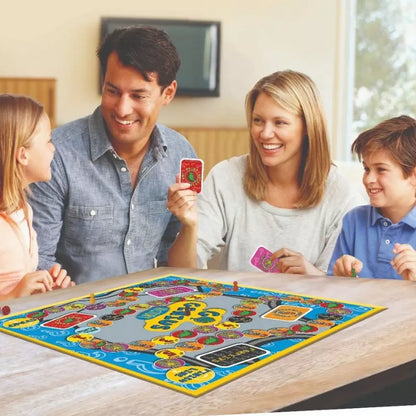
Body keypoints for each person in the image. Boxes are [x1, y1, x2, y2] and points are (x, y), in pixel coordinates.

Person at [28, 27, 196, 284]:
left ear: (168, 93)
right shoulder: (56, 154)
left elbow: (176, 267)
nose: (122, 109)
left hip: (149, 309)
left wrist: (190, 225)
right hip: (72, 310)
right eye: (112, 91)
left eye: (138, 95)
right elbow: (37, 262)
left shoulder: (180, 153)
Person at [167, 70, 365, 274]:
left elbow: (343, 289)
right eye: (258, 120)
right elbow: (181, 273)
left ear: (308, 126)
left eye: (280, 122)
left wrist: (312, 275)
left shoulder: (343, 197)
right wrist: (189, 225)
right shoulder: (225, 177)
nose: (265, 134)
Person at [0, 94, 73, 300]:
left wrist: (45, 286)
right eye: (48, 140)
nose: (53, 148)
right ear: (23, 155)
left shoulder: (23, 211)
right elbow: (13, 293)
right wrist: (14, 296)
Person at [327, 115, 416, 280]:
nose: (368, 179)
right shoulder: (353, 221)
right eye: (367, 169)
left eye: (381, 169)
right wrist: (338, 277)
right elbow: (333, 291)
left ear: (413, 175)